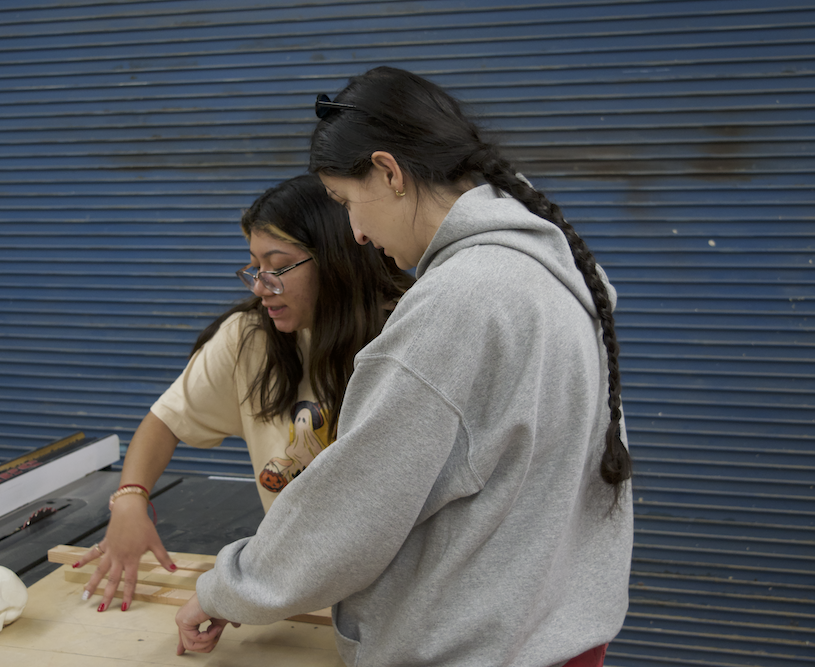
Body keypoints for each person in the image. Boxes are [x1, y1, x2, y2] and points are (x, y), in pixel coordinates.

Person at [174, 66, 634, 666]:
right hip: (556, 638)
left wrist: (225, 588)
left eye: (345, 203)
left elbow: (353, 512)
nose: (356, 234)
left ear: (389, 172)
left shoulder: (459, 303)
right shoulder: (551, 273)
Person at [75, 173, 413, 613]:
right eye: (254, 267)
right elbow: (165, 420)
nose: (260, 287)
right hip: (298, 590)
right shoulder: (250, 337)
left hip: (395, 601)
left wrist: (238, 591)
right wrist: (130, 499)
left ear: (335, 258)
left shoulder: (406, 335)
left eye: (277, 267)